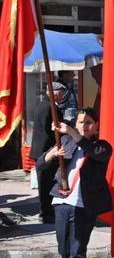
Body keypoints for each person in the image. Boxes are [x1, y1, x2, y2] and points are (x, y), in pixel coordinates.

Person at [36, 108, 112, 258]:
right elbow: (40, 166)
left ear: (96, 125)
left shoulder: (101, 146)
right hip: (61, 202)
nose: (84, 126)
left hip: (84, 205)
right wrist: (52, 154)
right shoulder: (67, 144)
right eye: (80, 122)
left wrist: (72, 132)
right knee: (64, 251)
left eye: (88, 122)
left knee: (77, 251)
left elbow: (93, 153)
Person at [30, 82, 66, 224]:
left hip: (43, 150)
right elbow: (50, 130)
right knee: (45, 184)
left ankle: (47, 211)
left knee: (46, 182)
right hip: (45, 151)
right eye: (61, 92)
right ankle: (46, 212)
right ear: (55, 92)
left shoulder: (45, 104)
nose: (62, 95)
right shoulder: (49, 107)